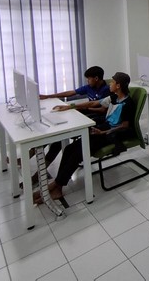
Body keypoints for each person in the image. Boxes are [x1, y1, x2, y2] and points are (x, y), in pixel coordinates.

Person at [34, 72, 136, 203]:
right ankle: (57, 186)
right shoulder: (113, 97)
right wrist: (69, 106)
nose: (110, 84)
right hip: (103, 129)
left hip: (113, 134)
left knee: (78, 152)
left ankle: (56, 186)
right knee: (69, 149)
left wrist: (103, 132)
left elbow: (124, 126)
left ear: (118, 85)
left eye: (112, 82)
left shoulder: (128, 103)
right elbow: (93, 104)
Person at [34, 66, 110, 180]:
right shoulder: (90, 86)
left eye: (89, 79)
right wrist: (48, 96)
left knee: (59, 141)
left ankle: (40, 175)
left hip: (98, 120)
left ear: (96, 78)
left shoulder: (106, 90)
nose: (87, 81)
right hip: (88, 114)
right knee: (55, 136)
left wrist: (77, 107)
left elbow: (101, 109)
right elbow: (71, 93)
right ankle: (35, 164)